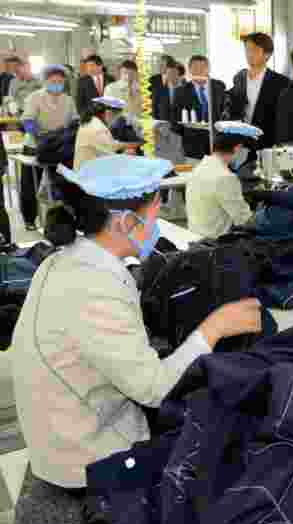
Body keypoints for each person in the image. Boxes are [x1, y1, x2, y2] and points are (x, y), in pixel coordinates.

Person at [9, 155, 262, 490]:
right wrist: (216, 326)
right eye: (155, 215)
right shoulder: (95, 288)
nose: (158, 227)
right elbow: (156, 390)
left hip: (68, 430)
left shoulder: (64, 261)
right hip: (87, 457)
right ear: (125, 222)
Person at [21, 65, 79, 231]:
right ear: (45, 81)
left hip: (59, 147)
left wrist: (70, 132)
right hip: (35, 146)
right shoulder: (34, 97)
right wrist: (39, 134)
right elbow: (28, 121)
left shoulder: (68, 100)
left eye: (60, 82)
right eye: (53, 81)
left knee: (63, 183)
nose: (57, 85)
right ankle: (29, 219)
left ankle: (63, 220)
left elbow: (74, 120)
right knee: (30, 184)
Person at [186, 122, 259, 238]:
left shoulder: (200, 167)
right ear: (238, 148)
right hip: (214, 244)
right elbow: (243, 219)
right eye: (245, 151)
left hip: (195, 235)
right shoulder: (226, 177)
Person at [227, 32, 289, 154]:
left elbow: (284, 120)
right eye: (247, 50)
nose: (249, 54)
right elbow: (234, 110)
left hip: (269, 147)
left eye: (254, 50)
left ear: (267, 54)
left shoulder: (281, 83)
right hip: (241, 146)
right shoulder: (239, 79)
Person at [171, 55, 227, 160]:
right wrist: (188, 134)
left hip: (217, 143)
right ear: (189, 69)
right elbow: (175, 120)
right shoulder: (181, 91)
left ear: (208, 68)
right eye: (195, 67)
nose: (199, 71)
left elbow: (225, 111)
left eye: (203, 67)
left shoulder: (219, 86)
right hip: (193, 145)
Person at [74, 97, 137, 170]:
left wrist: (130, 144)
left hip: (87, 171)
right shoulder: (98, 129)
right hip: (90, 177)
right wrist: (127, 155)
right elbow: (110, 161)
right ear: (107, 113)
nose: (116, 120)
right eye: (117, 115)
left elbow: (110, 144)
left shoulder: (91, 122)